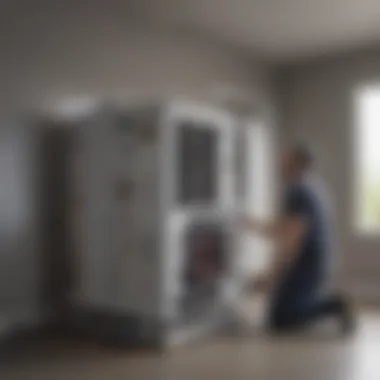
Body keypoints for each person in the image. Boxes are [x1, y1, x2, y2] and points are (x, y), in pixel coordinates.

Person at [243, 143, 354, 335]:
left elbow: (292, 241)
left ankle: (335, 305)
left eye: (284, 158)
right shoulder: (311, 186)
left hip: (308, 264)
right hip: (318, 260)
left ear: (294, 163)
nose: (278, 162)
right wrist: (252, 225)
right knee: (280, 312)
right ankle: (315, 303)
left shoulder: (298, 191)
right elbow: (285, 227)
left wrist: (270, 277)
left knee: (282, 319)